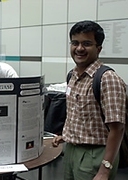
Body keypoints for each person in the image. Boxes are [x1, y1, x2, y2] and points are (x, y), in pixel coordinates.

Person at [52, 20, 126, 180]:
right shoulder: (72, 75)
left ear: (98, 48)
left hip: (95, 155)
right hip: (71, 150)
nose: (79, 48)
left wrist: (105, 170)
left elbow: (117, 128)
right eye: (75, 43)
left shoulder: (107, 79)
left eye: (86, 43)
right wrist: (66, 135)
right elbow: (79, 113)